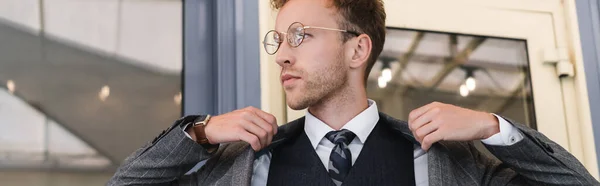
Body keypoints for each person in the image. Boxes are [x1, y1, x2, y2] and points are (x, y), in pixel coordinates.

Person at [108, 0, 598, 185]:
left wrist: (496, 129)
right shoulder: (239, 165)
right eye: (279, 40)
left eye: (300, 35)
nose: (281, 55)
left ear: (357, 48)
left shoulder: (451, 162)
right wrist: (198, 132)